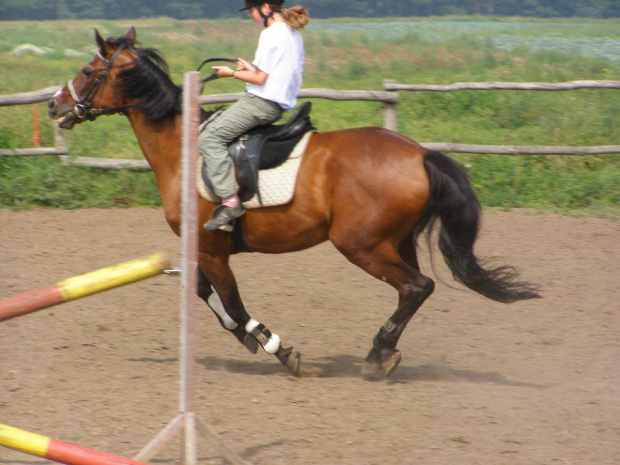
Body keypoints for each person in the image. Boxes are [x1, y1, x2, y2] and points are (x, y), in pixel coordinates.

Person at [200, 0, 309, 232]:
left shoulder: (270, 34)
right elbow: (271, 73)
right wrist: (250, 69)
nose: (250, 15)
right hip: (277, 103)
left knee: (209, 138)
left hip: (260, 103)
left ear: (266, 7)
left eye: (251, 10)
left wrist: (230, 73)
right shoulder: (293, 33)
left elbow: (260, 80)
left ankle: (230, 202)